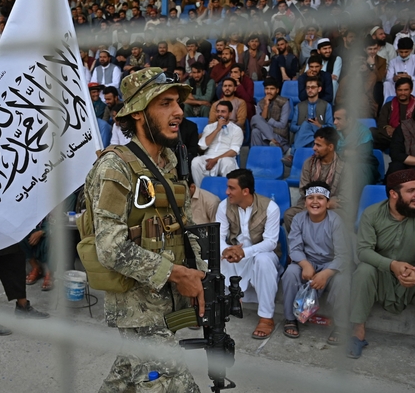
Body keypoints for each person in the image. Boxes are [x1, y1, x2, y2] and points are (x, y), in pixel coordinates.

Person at [85, 67, 206, 391]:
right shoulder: (115, 167)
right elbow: (110, 247)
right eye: (165, 103)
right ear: (139, 114)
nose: (179, 111)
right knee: (175, 384)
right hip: (137, 309)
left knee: (124, 378)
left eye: (178, 102)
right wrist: (178, 274)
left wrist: (201, 272)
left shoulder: (168, 159)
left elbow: (184, 223)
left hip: (165, 302)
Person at [349, 168, 415, 372]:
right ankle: (357, 334)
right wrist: (392, 265)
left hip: (414, 280)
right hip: (382, 278)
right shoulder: (372, 214)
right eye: (411, 191)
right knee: (363, 270)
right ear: (393, 194)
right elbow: (364, 251)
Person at [280, 181, 352, 343]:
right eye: (310, 197)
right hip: (307, 261)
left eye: (320, 198)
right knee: (291, 273)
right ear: (305, 202)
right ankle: (290, 318)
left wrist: (326, 274)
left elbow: (343, 255)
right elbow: (295, 248)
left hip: (330, 264)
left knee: (342, 280)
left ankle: (341, 325)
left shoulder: (335, 221)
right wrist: (305, 264)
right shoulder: (299, 219)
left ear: (328, 203)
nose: (315, 202)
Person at [218, 168, 280, 340]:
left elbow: (270, 243)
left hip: (260, 253)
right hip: (233, 253)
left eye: (231, 188)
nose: (226, 192)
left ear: (245, 191)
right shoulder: (224, 206)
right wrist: (226, 250)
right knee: (211, 257)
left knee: (264, 261)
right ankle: (214, 306)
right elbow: (219, 236)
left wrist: (244, 252)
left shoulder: (270, 208)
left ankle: (266, 318)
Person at [283, 127, 346, 229]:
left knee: (339, 218)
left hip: (332, 208)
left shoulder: (344, 167)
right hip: (309, 203)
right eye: (314, 144)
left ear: (330, 147)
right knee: (289, 215)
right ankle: (301, 243)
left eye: (318, 145)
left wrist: (326, 204)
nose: (314, 148)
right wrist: (321, 203)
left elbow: (343, 196)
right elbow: (304, 189)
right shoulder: (309, 163)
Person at [193, 101, 242, 187]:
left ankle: (228, 192)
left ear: (230, 114)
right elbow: (202, 146)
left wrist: (215, 160)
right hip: (208, 157)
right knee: (195, 161)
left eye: (223, 111)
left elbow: (233, 151)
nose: (220, 114)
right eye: (218, 111)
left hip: (225, 158)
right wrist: (217, 129)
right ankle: (201, 192)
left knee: (227, 162)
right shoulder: (209, 127)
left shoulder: (236, 130)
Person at [373, 78, 415, 151]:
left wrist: (398, 131)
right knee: (372, 132)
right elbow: (382, 122)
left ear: (411, 90)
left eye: (406, 90)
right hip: (390, 135)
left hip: (409, 135)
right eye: (400, 90)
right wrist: (387, 127)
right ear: (395, 91)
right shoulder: (388, 105)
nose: (402, 93)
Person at [250, 77, 290, 151]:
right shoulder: (260, 103)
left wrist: (267, 121)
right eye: (266, 89)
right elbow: (257, 122)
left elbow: (282, 125)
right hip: (266, 137)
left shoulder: (284, 102)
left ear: (277, 90)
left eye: (272, 89)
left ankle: (273, 141)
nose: (268, 91)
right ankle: (271, 141)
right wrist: (266, 106)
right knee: (255, 123)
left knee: (257, 127)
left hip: (279, 136)